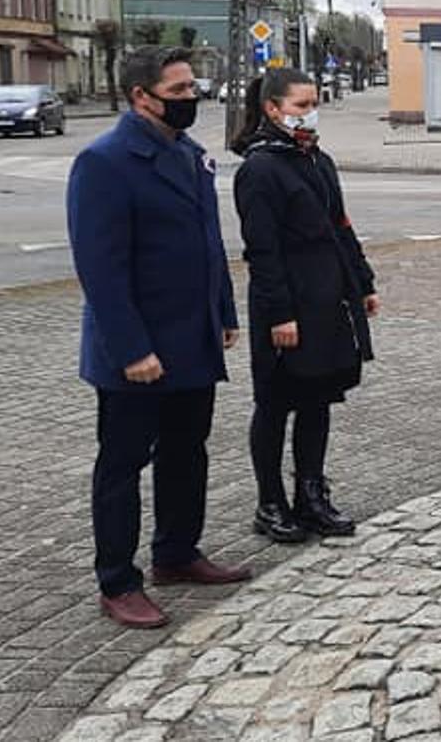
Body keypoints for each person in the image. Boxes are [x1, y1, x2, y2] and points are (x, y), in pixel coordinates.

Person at [66, 47, 252, 629]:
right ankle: (118, 580)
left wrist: (222, 311)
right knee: (123, 464)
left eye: (192, 88)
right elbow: (100, 268)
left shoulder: (190, 155)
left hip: (190, 339)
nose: (190, 99)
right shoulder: (105, 162)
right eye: (178, 92)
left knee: (185, 453)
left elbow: (208, 244)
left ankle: (176, 552)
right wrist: (131, 349)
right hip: (137, 351)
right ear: (141, 96)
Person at [231, 68, 379, 544]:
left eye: (313, 102)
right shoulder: (260, 168)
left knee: (318, 401)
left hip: (327, 301)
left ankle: (311, 495)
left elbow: (341, 226)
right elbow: (263, 250)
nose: (309, 112)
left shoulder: (318, 160)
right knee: (275, 405)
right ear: (273, 109)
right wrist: (280, 314)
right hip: (287, 306)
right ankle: (270, 502)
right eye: (299, 104)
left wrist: (362, 282)